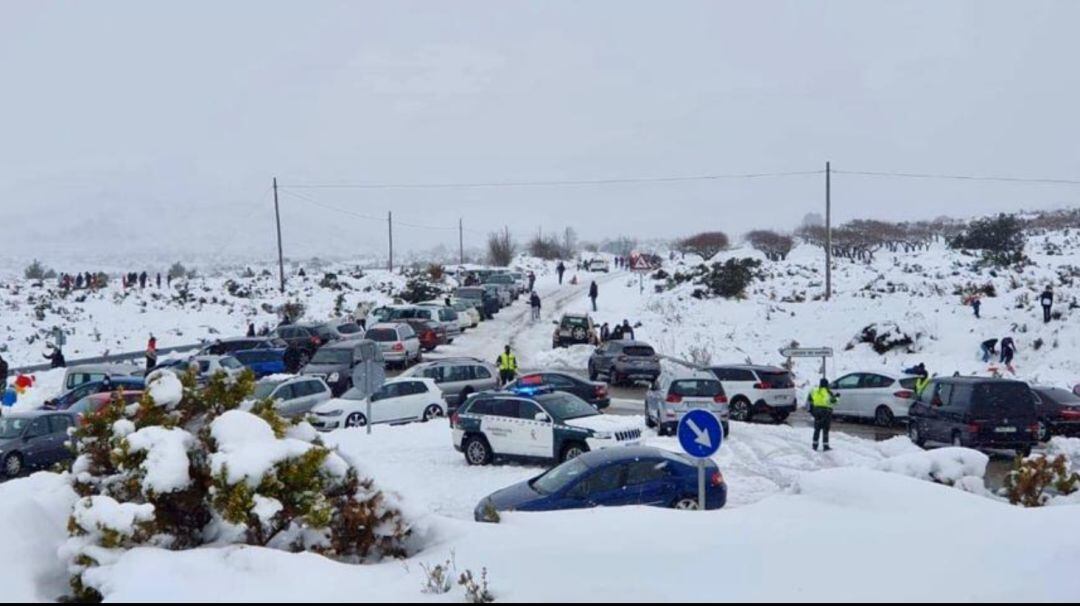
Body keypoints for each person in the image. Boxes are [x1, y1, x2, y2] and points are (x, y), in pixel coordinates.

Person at [810, 378, 838, 452]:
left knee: (817, 429)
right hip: (826, 412)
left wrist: (813, 409)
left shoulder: (815, 391)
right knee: (825, 429)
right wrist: (837, 397)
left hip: (817, 411)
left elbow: (810, 399)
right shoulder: (828, 392)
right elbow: (833, 402)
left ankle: (814, 446)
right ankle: (825, 446)